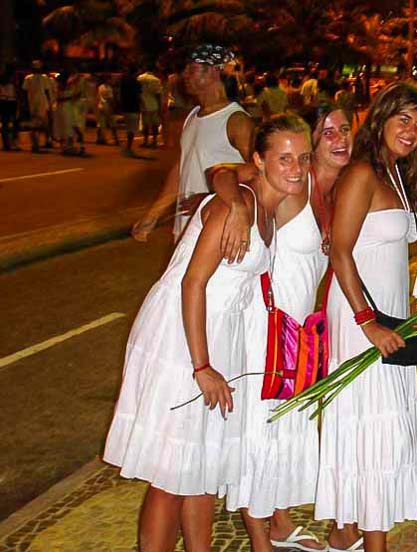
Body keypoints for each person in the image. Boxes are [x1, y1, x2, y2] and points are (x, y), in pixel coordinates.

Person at [103, 115, 311, 552]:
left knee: (203, 464)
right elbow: (192, 283)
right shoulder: (236, 206)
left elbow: (222, 173)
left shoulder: (262, 207)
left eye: (303, 158)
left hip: (222, 333)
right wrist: (201, 366)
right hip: (183, 335)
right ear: (259, 160)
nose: (296, 168)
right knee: (171, 471)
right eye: (285, 158)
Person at [214, 101, 353, 551]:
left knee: (286, 425)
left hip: (298, 330)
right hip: (265, 326)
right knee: (261, 427)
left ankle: (279, 521)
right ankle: (260, 538)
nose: (339, 140)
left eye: (345, 130)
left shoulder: (332, 190)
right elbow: (222, 172)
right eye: (327, 132)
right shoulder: (294, 183)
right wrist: (236, 205)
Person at [316, 83, 417, 552]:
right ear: (381, 118)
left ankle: (347, 528)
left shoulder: (395, 173)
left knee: (376, 423)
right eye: (403, 119)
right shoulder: (362, 172)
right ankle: (373, 542)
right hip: (359, 315)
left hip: (387, 312)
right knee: (372, 424)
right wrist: (368, 322)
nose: (412, 131)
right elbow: (341, 252)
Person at [132, 45, 253, 246]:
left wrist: (210, 198)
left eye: (192, 68)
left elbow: (258, 174)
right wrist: (153, 215)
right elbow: (181, 170)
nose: (185, 75)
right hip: (186, 230)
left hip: (218, 233)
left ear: (214, 70)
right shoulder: (193, 116)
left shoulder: (236, 120)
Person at [22, 60, 56, 151]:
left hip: (33, 104)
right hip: (43, 104)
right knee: (45, 124)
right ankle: (47, 141)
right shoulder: (44, 78)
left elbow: (24, 92)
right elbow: (47, 91)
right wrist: (50, 103)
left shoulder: (28, 78)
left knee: (34, 125)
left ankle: (35, 143)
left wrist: (24, 104)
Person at [139, 67, 164, 148]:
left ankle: (145, 141)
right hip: (153, 105)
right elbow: (158, 94)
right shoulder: (155, 80)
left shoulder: (139, 78)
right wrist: (160, 107)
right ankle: (154, 141)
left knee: (145, 124)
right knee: (155, 124)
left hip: (143, 105)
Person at [119, 67, 142, 156]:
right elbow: (139, 96)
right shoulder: (137, 83)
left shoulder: (124, 81)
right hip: (134, 108)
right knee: (132, 129)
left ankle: (127, 148)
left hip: (125, 107)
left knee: (128, 128)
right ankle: (128, 148)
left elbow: (120, 94)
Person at [0, 66, 19, 151]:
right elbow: (16, 91)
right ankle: (13, 143)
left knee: (5, 123)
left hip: (3, 101)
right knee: (14, 122)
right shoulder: (13, 78)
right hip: (11, 101)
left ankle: (6, 144)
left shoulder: (1, 78)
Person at [96, 74, 120, 146]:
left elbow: (97, 97)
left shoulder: (100, 86)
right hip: (107, 106)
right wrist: (113, 108)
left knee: (101, 123)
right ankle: (116, 139)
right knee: (112, 123)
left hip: (100, 105)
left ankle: (99, 138)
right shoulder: (108, 88)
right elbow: (110, 99)